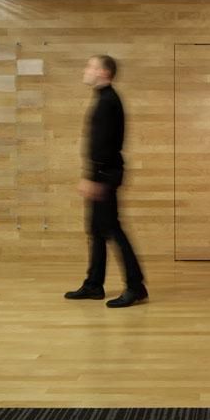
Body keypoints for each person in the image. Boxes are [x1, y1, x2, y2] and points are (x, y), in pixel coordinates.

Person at [64, 55, 148, 308]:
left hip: (104, 175)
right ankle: (93, 284)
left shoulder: (108, 101)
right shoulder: (103, 98)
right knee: (96, 229)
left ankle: (135, 286)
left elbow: (105, 145)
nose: (85, 70)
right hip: (102, 174)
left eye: (90, 66)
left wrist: (94, 177)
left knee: (112, 229)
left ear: (103, 72)